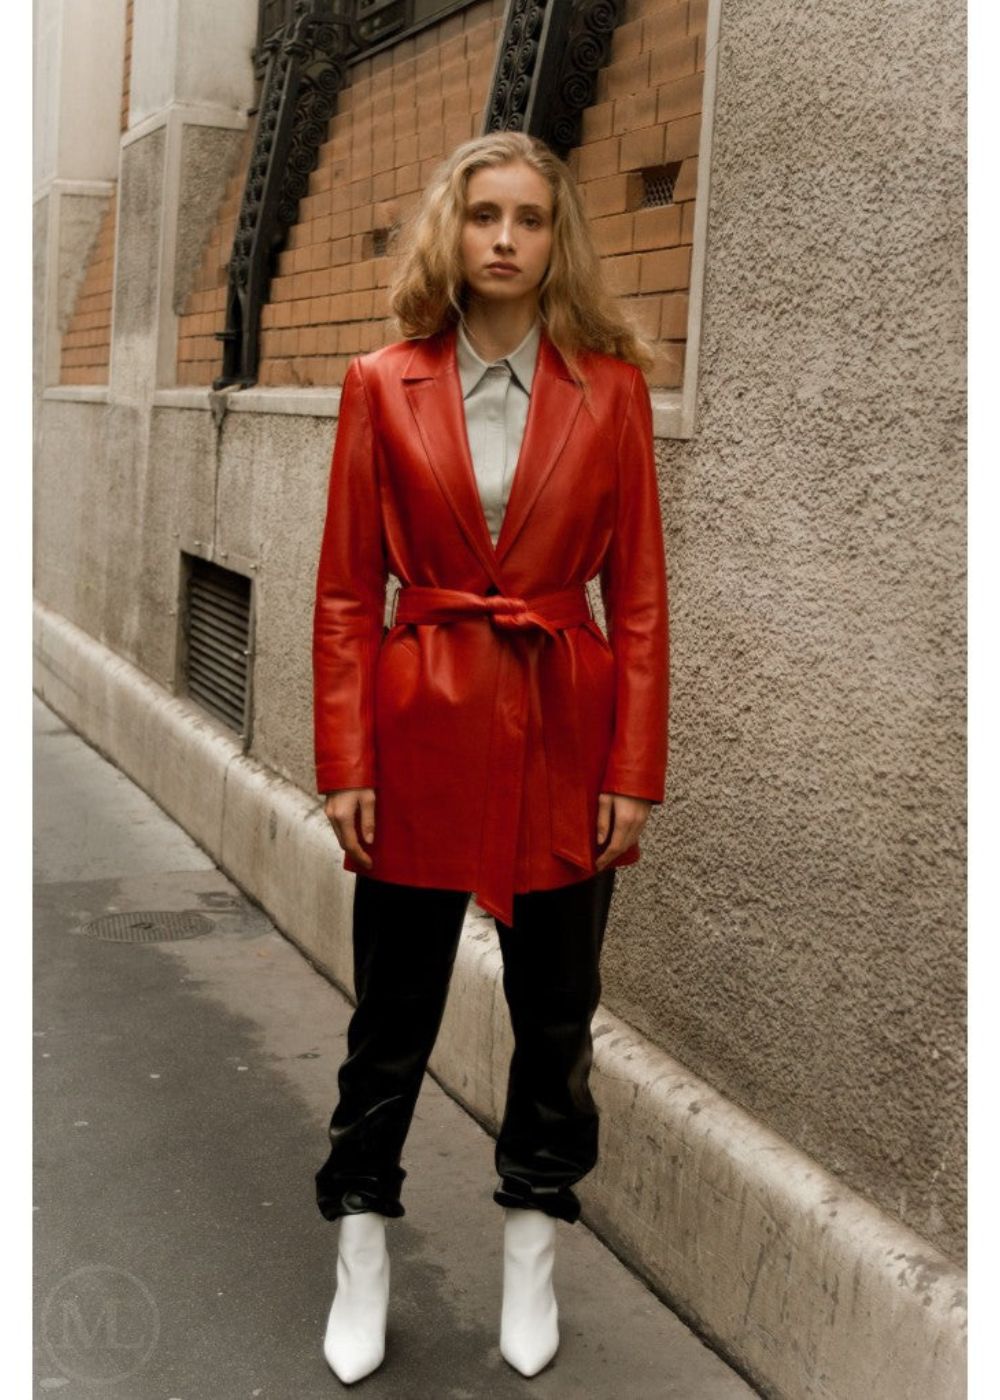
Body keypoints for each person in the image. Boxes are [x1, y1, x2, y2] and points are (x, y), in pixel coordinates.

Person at [312, 130, 668, 1384]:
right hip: (417, 731)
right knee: (391, 1015)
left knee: (554, 1015)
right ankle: (360, 1237)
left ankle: (532, 1239)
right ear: (449, 233)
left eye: (527, 216)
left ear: (555, 235)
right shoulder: (381, 381)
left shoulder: (610, 388)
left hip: (568, 735)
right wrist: (344, 756)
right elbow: (350, 592)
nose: (505, 237)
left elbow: (640, 599)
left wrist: (634, 766)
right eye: (482, 215)